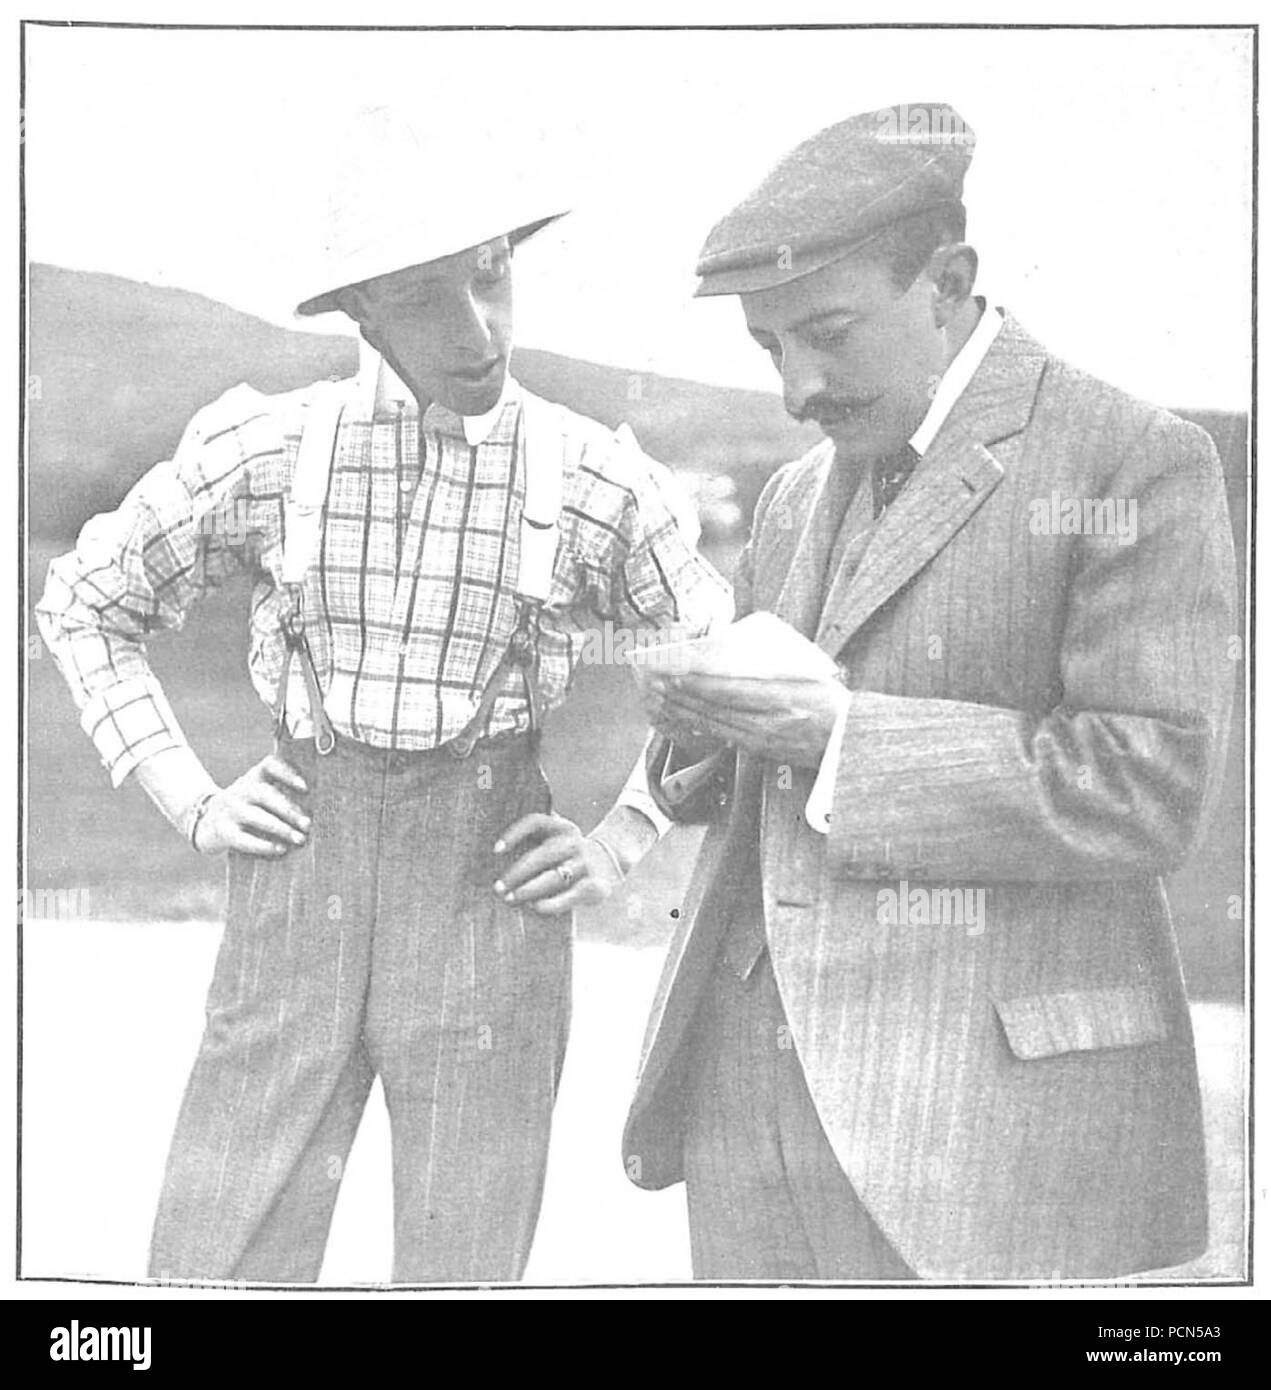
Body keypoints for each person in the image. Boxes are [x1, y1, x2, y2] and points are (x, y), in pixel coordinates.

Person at [37, 108, 730, 1284]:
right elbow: (83, 601)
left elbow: (709, 659)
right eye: (423, 297)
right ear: (359, 308)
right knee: (221, 1247)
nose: (475, 332)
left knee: (464, 1256)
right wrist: (189, 799)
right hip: (301, 865)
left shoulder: (595, 475)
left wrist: (620, 839)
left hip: (488, 883)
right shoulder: (270, 448)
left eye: (489, 279)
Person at [623, 102, 1237, 1281]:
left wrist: (841, 742)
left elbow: (1144, 788)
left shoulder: (1134, 460)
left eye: (829, 334)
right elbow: (740, 784)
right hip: (748, 1088)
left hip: (977, 1122)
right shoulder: (799, 492)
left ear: (948, 281)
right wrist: (697, 730)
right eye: (769, 349)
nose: (797, 386)